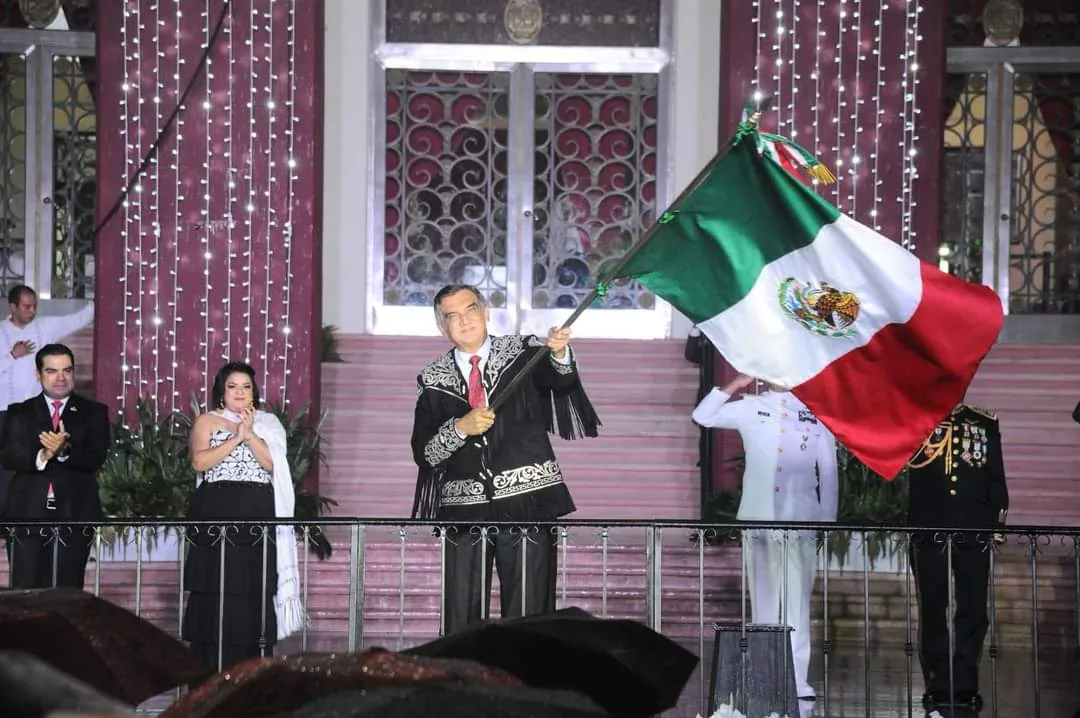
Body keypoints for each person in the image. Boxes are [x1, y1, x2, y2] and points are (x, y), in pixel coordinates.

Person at [410, 284, 600, 635]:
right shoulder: (432, 379)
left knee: (530, 615)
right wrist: (460, 428)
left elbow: (560, 381)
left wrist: (558, 353)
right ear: (442, 328)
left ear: (485, 312)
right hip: (465, 510)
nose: (464, 321)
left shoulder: (523, 351)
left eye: (470, 310)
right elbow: (425, 454)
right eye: (453, 317)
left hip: (529, 500)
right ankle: (465, 684)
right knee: (462, 617)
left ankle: (527, 685)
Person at [691, 372, 838, 700]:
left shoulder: (815, 413)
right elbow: (703, 415)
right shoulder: (749, 407)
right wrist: (733, 385)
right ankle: (766, 673)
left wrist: (826, 521)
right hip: (759, 518)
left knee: (797, 600)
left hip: (800, 519)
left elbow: (828, 472)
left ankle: (797, 678)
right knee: (765, 598)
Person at [182, 361, 304, 671]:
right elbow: (199, 463)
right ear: (222, 392)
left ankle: (252, 673)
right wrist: (236, 437)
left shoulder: (269, 423)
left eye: (246, 387)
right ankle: (210, 673)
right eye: (233, 386)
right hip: (215, 513)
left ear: (254, 392)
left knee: (253, 588)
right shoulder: (207, 421)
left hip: (256, 514)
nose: (239, 392)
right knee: (215, 588)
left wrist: (250, 435)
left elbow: (272, 463)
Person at [906, 403, 1008, 711]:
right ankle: (938, 683)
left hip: (973, 525)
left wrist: (995, 523)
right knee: (933, 607)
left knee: (973, 609)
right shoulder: (916, 416)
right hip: (929, 525)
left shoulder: (983, 422)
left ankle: (964, 684)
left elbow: (995, 475)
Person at [0, 343, 109, 589]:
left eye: (67, 370)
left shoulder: (93, 412)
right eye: (52, 371)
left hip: (74, 515)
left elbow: (95, 457)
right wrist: (43, 454)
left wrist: (63, 451)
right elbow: (9, 456)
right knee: (26, 594)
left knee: (68, 594)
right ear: (37, 374)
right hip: (27, 515)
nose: (61, 378)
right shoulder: (19, 412)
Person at [0, 285, 94, 515]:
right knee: (7, 466)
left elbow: (80, 318)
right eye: (26, 306)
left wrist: (97, 297)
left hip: (37, 413)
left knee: (38, 463)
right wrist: (12, 355)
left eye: (34, 306)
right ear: (12, 306)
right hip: (4, 413)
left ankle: (36, 515)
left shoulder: (45, 326)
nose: (32, 311)